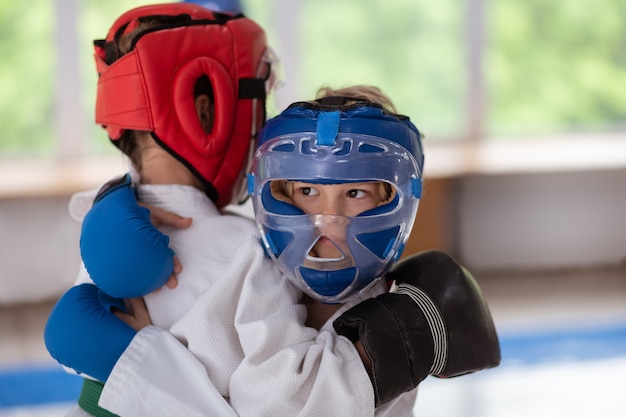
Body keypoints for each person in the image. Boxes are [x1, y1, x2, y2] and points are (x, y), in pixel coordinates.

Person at [44, 5, 500, 412]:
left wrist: (109, 201)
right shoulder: (249, 254)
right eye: (306, 191)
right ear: (206, 110)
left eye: (355, 193)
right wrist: (391, 346)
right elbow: (278, 403)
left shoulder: (106, 235)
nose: (328, 218)